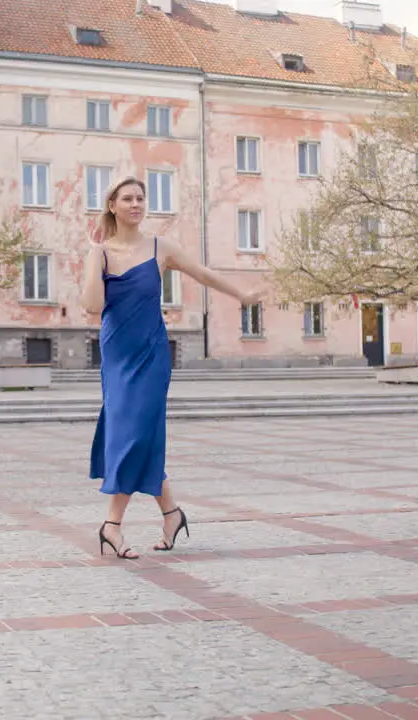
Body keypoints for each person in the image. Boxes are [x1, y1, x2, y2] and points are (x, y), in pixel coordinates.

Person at [81, 176, 262, 559]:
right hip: (116, 354)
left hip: (151, 354)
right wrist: (93, 256)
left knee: (133, 434)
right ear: (112, 205)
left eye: (140, 198)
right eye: (127, 198)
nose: (135, 204)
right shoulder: (102, 251)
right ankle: (172, 513)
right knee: (132, 434)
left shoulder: (161, 247)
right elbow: (93, 306)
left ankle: (111, 525)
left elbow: (203, 273)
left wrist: (243, 294)